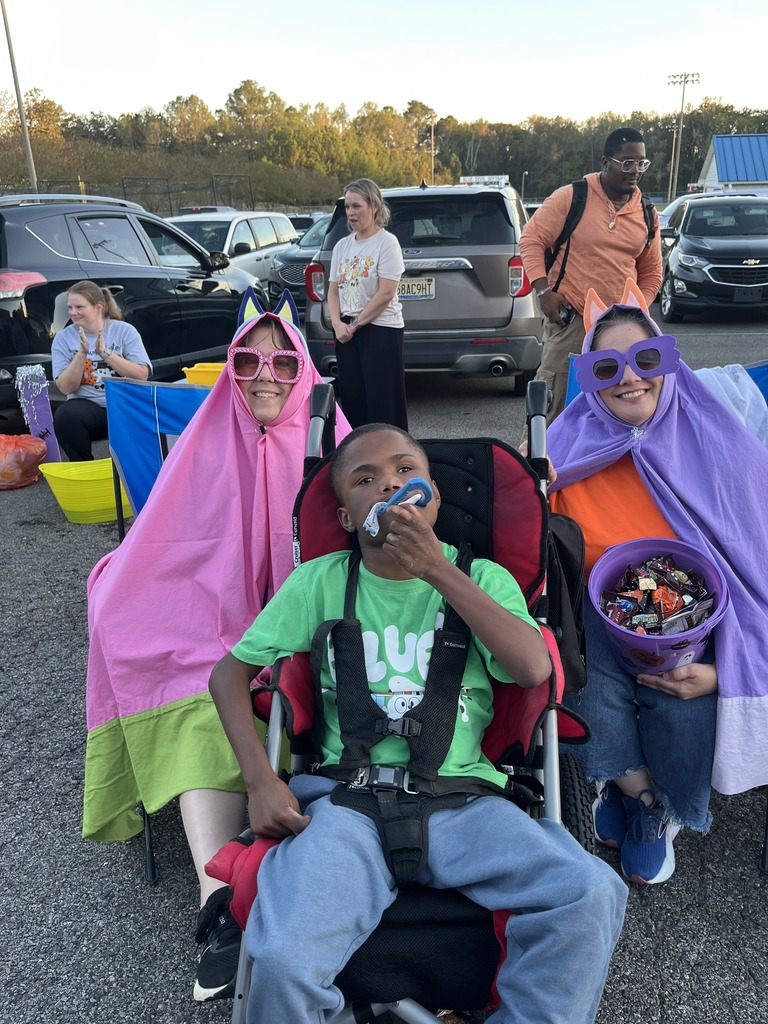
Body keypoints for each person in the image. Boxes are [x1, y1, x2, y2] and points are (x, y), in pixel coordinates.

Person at [209, 422, 628, 1024]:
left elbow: (534, 668)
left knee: (589, 892)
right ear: (350, 519)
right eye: (367, 479)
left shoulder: (483, 580)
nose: (391, 485)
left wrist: (437, 570)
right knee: (281, 956)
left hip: (464, 801)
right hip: (347, 802)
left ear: (432, 491)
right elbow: (227, 676)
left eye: (407, 471)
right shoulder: (318, 583)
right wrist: (260, 782)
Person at [82, 299, 350, 1001]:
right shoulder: (205, 438)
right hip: (216, 628)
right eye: (248, 361)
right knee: (199, 686)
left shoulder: (336, 440)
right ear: (230, 370)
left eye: (284, 361)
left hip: (315, 633)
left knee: (288, 687)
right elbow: (157, 549)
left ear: (305, 370)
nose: (266, 376)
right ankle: (220, 901)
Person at [546, 279, 768, 885]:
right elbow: (538, 556)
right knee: (584, 672)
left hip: (702, 623)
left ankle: (660, 803)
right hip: (597, 610)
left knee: (679, 696)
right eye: (605, 366)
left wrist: (723, 673)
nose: (629, 378)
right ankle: (638, 796)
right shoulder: (563, 446)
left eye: (647, 359)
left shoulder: (725, 447)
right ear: (587, 376)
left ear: (670, 361)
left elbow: (758, 575)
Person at [519, 128, 662, 423]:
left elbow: (652, 272)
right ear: (605, 162)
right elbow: (531, 240)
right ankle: (537, 466)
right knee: (552, 404)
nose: (634, 171)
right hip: (572, 321)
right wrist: (544, 291)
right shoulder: (572, 198)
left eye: (641, 163)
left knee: (622, 404)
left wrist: (637, 312)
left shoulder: (647, 212)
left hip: (622, 329)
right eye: (626, 162)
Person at [328, 177, 408, 430]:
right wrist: (337, 323)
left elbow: (386, 293)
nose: (350, 213)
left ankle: (393, 459)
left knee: (383, 404)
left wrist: (356, 324)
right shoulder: (342, 246)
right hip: (346, 333)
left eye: (356, 206)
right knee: (353, 401)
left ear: (373, 206)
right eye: (347, 207)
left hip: (381, 330)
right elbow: (332, 290)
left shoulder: (386, 243)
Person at [52, 281, 152, 460]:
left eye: (79, 307)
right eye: (70, 307)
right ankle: (85, 471)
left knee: (151, 414)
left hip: (124, 404)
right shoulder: (63, 338)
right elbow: (66, 388)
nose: (72, 312)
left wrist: (106, 354)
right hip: (90, 409)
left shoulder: (124, 331)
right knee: (65, 416)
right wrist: (82, 354)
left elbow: (141, 375)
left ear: (99, 307)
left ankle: (144, 473)